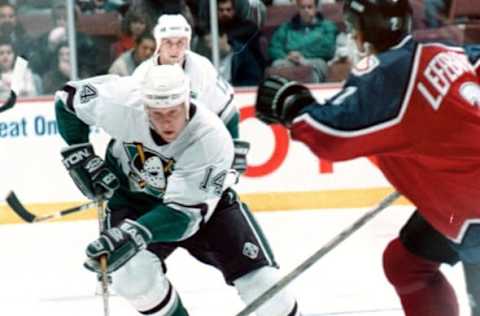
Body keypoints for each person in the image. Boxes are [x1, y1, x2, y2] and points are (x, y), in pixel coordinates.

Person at [254, 0, 480, 315]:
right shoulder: (444, 51)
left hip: (472, 211)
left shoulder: (386, 74)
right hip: (462, 203)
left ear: (365, 28)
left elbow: (330, 134)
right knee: (405, 264)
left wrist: (291, 105)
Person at [54, 64, 301, 316]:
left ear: (187, 102)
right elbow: (67, 100)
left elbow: (185, 217)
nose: (166, 122)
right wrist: (79, 152)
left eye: (173, 112)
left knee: (265, 287)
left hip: (206, 210)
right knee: (133, 280)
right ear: (145, 105)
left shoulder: (212, 139)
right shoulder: (122, 101)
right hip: (133, 202)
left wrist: (133, 234)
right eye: (157, 113)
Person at [133, 14, 249, 174]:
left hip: (199, 149)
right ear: (159, 43)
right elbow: (133, 122)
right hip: (157, 152)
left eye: (180, 42)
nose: (174, 49)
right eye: (168, 42)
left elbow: (226, 108)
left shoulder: (202, 68)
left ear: (187, 43)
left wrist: (234, 145)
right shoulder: (141, 75)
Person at [267, 0, 337, 83]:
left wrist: (302, 56)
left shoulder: (327, 26)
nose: (306, 10)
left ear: (316, 8)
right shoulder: (286, 27)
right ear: (298, 8)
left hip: (314, 61)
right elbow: (273, 47)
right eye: (302, 7)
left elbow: (328, 49)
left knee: (320, 65)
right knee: (277, 64)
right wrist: (286, 56)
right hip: (289, 61)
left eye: (309, 7)